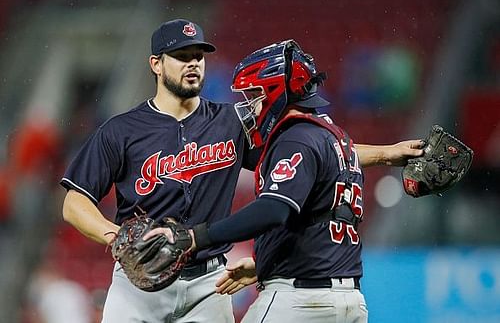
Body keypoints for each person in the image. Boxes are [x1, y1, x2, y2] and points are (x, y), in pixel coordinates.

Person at [61, 19, 422, 323]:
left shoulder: (232, 122)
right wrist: (113, 236)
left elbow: (312, 154)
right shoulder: (122, 129)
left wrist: (388, 153)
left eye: (198, 56)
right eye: (182, 56)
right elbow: (75, 202)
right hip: (138, 281)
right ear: (156, 64)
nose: (194, 63)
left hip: (209, 283)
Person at [147, 39, 415, 322]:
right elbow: (313, 222)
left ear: (274, 92)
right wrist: (264, 264)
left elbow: (273, 210)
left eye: (254, 95)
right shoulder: (335, 138)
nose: (250, 106)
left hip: (301, 301)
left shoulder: (294, 138)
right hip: (349, 301)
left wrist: (196, 236)